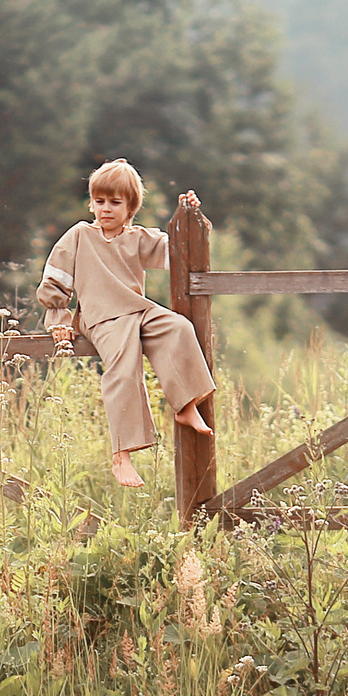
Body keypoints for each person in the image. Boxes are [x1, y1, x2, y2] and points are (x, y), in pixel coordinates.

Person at [35, 160, 215, 488]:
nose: (106, 209)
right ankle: (122, 454)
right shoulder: (80, 235)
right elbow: (55, 280)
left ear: (131, 207)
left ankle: (185, 404)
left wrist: (190, 215)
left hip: (137, 310)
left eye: (115, 202)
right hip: (101, 317)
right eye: (100, 201)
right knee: (124, 365)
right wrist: (59, 319)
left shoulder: (138, 238)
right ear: (91, 203)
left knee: (178, 328)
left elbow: (183, 250)